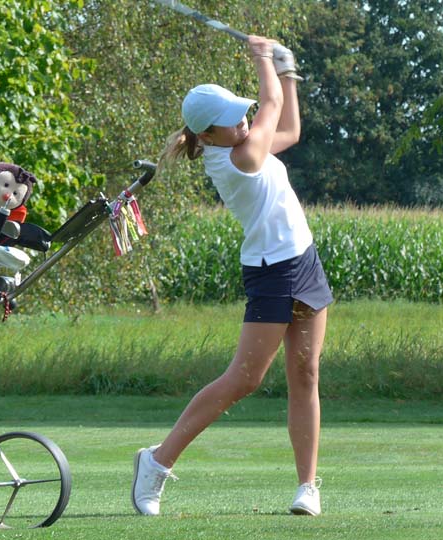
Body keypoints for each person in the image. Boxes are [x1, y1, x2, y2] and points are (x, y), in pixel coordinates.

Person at [131, 35, 333, 517]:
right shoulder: (240, 158)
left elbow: (289, 128)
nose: (243, 122)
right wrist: (266, 59)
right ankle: (156, 462)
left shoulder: (245, 142)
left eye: (241, 115)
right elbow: (272, 104)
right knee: (243, 380)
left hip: (304, 261)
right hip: (271, 273)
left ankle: (308, 486)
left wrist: (288, 69)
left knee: (305, 373)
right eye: (232, 121)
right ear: (207, 136)